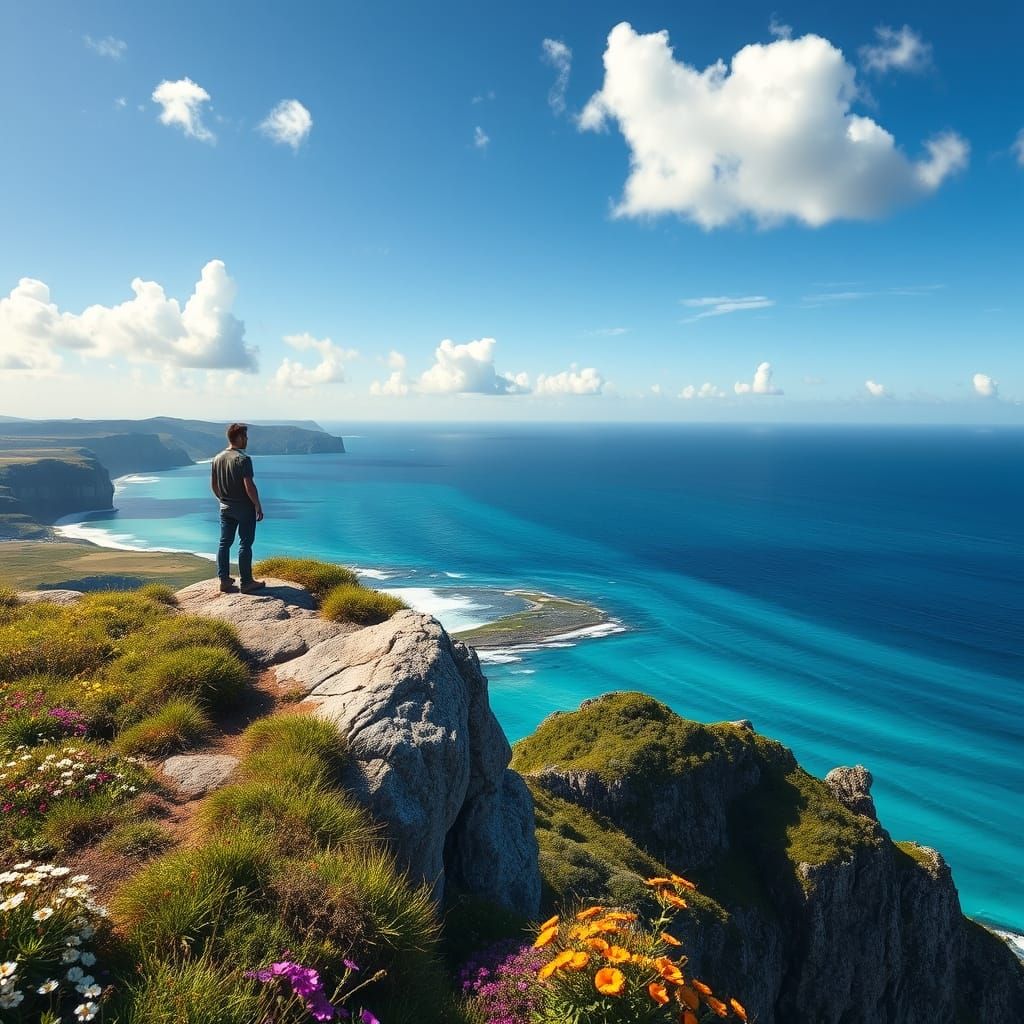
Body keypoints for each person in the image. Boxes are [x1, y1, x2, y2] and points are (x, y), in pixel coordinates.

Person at [211, 422, 265, 594]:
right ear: (239, 438)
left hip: (225, 507)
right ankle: (247, 582)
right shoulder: (243, 459)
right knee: (245, 544)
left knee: (224, 543)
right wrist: (257, 504)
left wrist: (222, 499)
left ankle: (224, 580)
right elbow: (249, 485)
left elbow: (213, 484)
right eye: (246, 437)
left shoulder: (217, 458)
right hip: (244, 508)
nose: (247, 440)